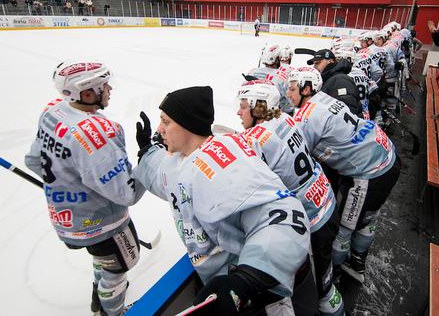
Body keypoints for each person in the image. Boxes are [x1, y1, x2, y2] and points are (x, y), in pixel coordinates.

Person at [134, 86, 314, 315]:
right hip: (216, 283)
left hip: (255, 295)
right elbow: (164, 176)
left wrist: (247, 279)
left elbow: (285, 216)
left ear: (187, 124)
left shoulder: (223, 164)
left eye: (166, 122)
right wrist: (148, 152)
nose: (159, 130)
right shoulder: (178, 160)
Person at [25, 61, 145, 316]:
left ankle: (97, 297)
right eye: (103, 85)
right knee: (118, 268)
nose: (110, 88)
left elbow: (33, 160)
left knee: (102, 258)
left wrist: (66, 187)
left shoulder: (52, 112)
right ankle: (111, 311)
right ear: (86, 93)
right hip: (105, 223)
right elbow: (127, 192)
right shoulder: (99, 133)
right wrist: (148, 159)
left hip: (67, 220)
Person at [236, 79, 345, 315]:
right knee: (326, 274)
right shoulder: (285, 117)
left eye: (243, 105)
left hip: (313, 223)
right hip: (326, 200)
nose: (238, 111)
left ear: (258, 107)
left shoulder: (253, 139)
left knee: (321, 291)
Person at [287, 67, 401, 285]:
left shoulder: (305, 117)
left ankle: (336, 274)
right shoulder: (323, 99)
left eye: (292, 89)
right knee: (367, 217)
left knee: (343, 229)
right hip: (386, 153)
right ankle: (357, 260)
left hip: (370, 172)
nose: (288, 94)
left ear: (306, 88)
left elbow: (298, 157)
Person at [308, 49, 362, 117]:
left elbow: (348, 113)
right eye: (314, 64)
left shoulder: (340, 80)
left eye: (317, 63)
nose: (314, 67)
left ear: (330, 61)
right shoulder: (329, 79)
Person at [247, 45, 294, 114]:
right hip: (273, 113)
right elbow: (289, 98)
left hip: (253, 111)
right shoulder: (282, 76)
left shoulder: (252, 72)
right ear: (277, 59)